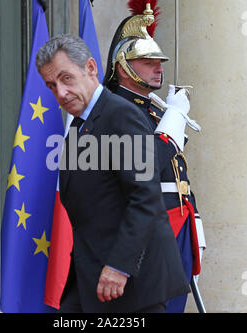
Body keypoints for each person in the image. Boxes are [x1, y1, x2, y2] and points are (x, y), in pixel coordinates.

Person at [36, 34, 189, 313]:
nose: (60, 93)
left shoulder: (121, 115)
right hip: (91, 276)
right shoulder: (80, 124)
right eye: (51, 85)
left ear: (91, 68)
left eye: (66, 78)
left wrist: (120, 265)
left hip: (132, 283)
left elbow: (145, 198)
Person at [103, 0, 206, 313]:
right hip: (146, 232)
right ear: (123, 64)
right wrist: (172, 126)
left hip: (176, 224)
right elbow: (143, 166)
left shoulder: (152, 108)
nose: (159, 67)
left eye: (159, 61)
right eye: (148, 61)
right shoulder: (114, 110)